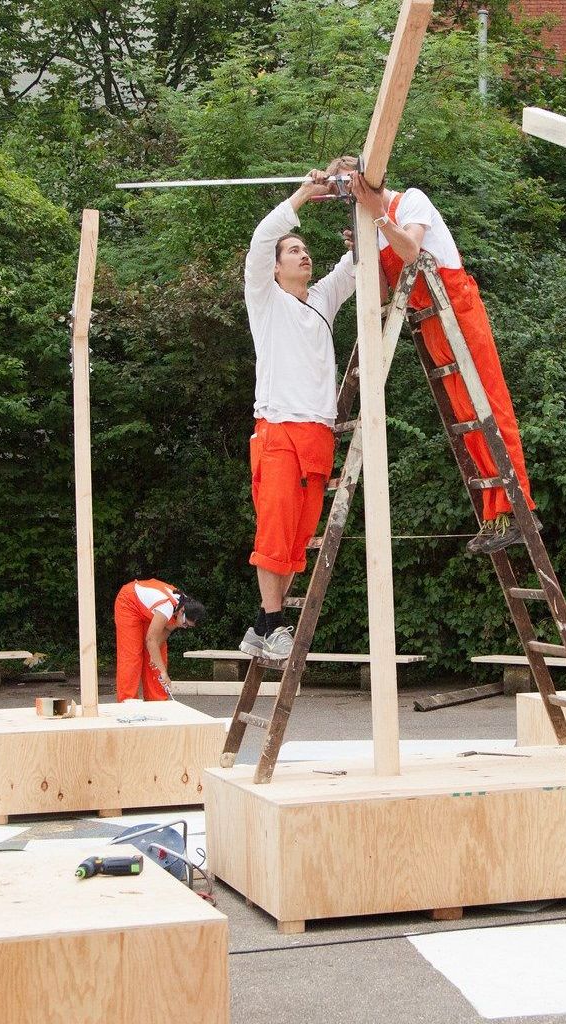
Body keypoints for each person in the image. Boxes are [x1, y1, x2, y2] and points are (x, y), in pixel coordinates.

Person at [355, 172, 533, 554]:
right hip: (432, 320)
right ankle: (495, 514)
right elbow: (384, 292)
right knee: (467, 417)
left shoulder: (410, 201)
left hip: (458, 309)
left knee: (491, 406)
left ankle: (518, 509)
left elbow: (411, 252)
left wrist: (379, 217)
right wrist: (364, 253)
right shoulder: (375, 226)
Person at [238, 164, 357, 664]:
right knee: (275, 530)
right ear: (275, 267)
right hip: (280, 427)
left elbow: (355, 267)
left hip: (318, 433)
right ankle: (274, 622)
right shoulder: (264, 300)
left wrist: (354, 203)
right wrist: (304, 196)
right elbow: (263, 239)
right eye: (294, 250)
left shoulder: (321, 301)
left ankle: (263, 626)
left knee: (298, 539)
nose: (303, 253)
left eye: (305, 250)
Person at [112, 580, 205, 701]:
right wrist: (163, 673)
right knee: (132, 655)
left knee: (158, 654)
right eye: (185, 624)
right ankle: (127, 700)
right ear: (182, 612)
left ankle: (157, 700)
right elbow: (151, 640)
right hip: (129, 602)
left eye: (188, 627)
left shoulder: (186, 604)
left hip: (149, 609)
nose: (184, 627)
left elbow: (168, 628)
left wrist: (154, 655)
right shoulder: (166, 607)